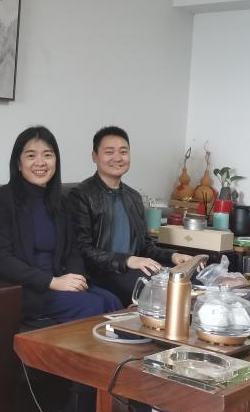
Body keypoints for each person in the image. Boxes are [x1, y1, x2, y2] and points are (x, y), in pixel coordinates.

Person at [0, 126, 122, 323]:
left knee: (112, 301)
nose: (40, 162)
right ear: (18, 163)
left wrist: (76, 280)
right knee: (91, 305)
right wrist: (52, 282)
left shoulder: (61, 202)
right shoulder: (3, 199)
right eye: (31, 156)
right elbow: (2, 258)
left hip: (60, 282)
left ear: (56, 161)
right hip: (27, 288)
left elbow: (73, 251)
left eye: (47, 155)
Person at [69, 126, 195, 303]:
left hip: (135, 268)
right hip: (102, 272)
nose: (117, 158)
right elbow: (83, 250)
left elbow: (146, 247)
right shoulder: (81, 195)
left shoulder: (133, 197)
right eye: (109, 152)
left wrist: (174, 256)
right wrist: (127, 260)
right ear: (95, 156)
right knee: (162, 290)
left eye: (123, 152)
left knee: (191, 278)